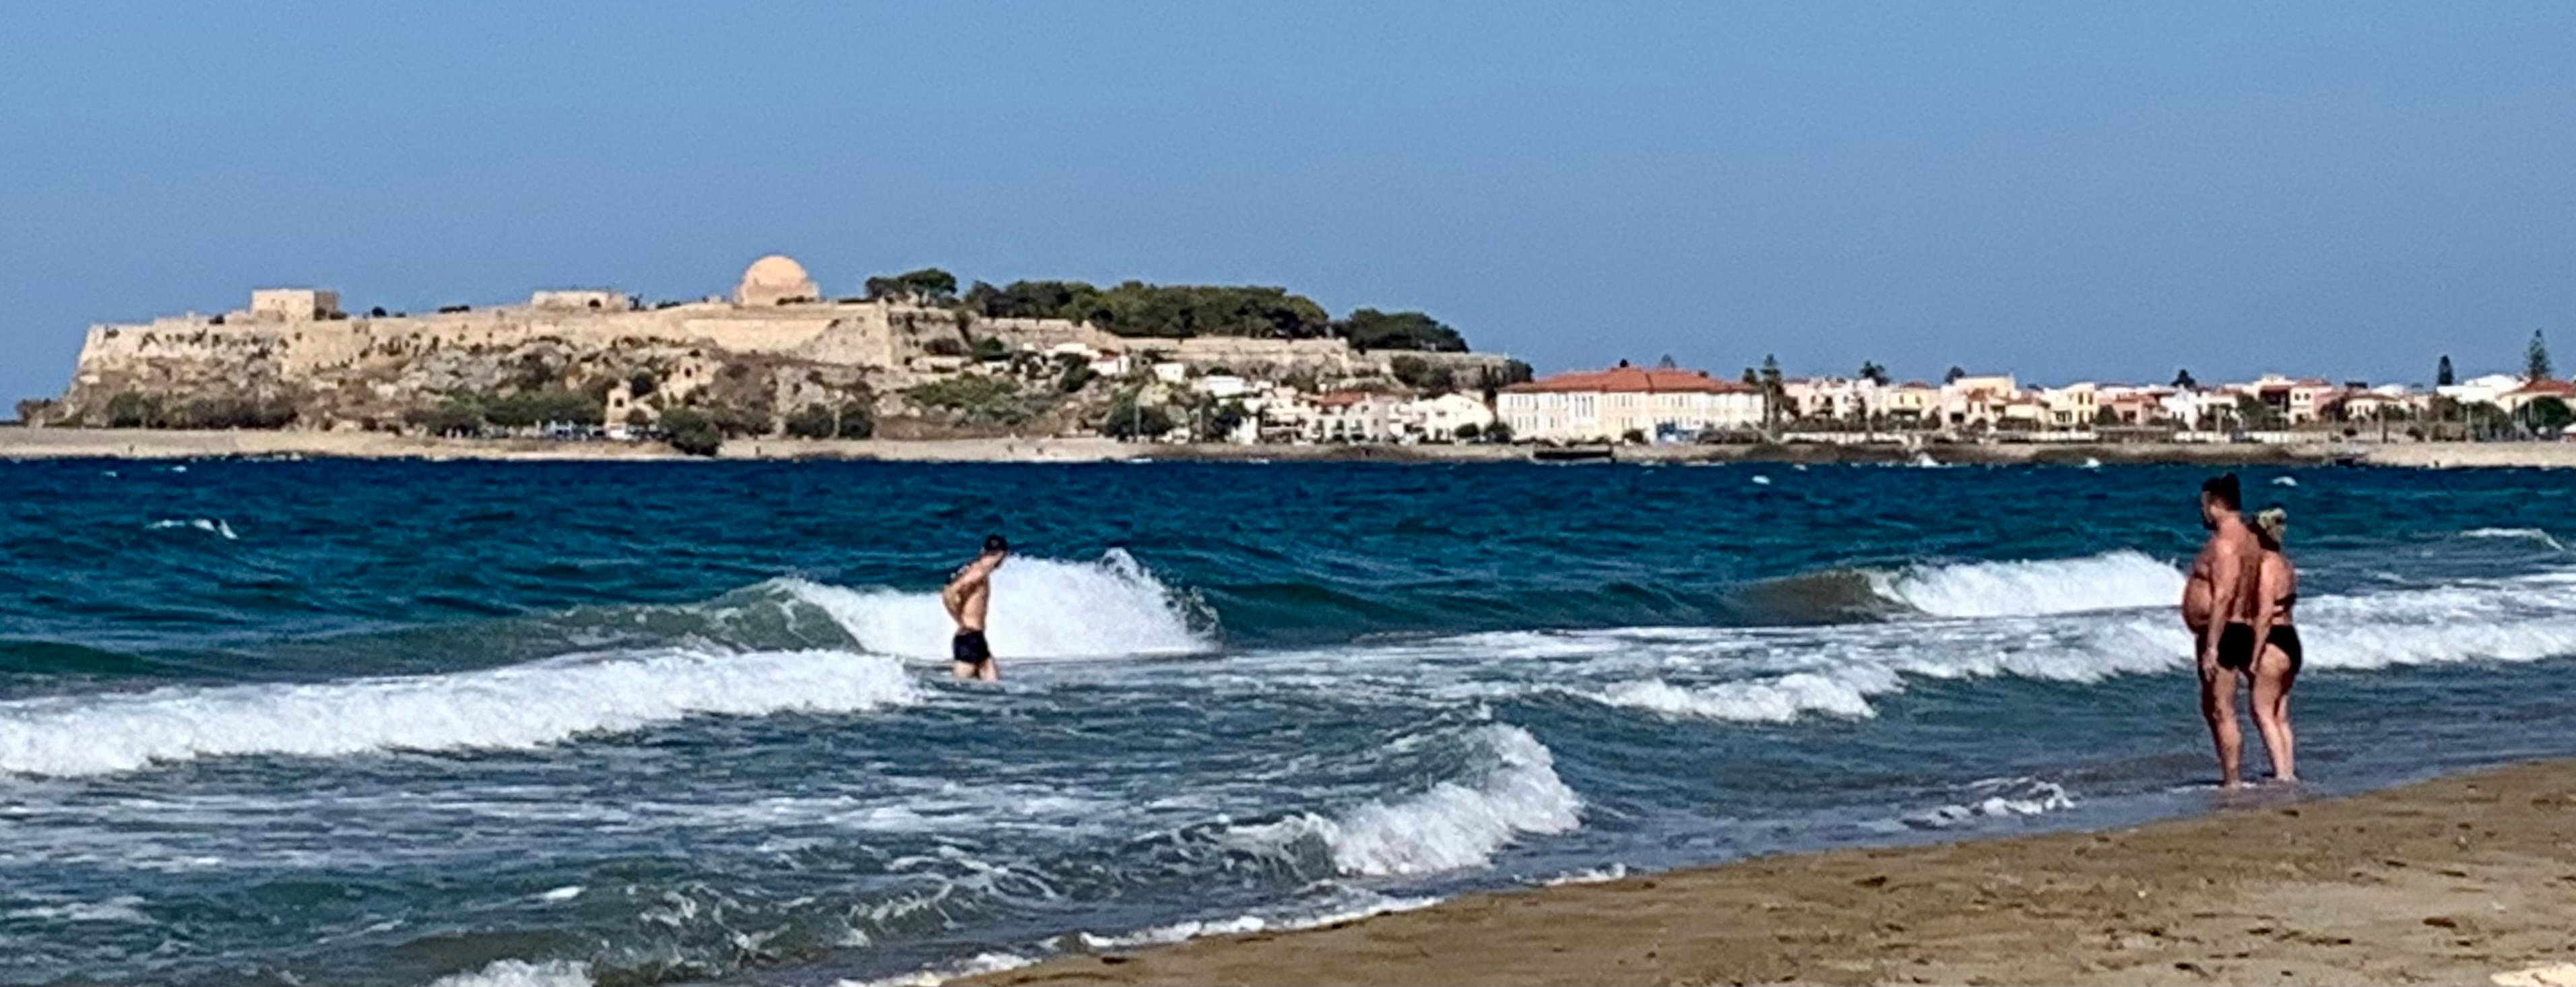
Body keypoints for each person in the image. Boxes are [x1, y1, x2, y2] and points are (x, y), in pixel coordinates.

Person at [2181, 474, 2261, 788]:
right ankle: (2233, 774)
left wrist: (2212, 644)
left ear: (2215, 505)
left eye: (2204, 505)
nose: (2202, 512)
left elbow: (2224, 594)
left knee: (2222, 708)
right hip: (2239, 626)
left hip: (2224, 631)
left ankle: (2232, 779)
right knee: (2216, 707)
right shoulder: (2250, 540)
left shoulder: (2226, 544)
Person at [2246, 507, 2301, 783]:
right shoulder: (2286, 564)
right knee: (2280, 714)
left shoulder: (2267, 565)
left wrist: (2255, 655)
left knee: (2262, 711)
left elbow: (2265, 612)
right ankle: (2287, 769)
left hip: (2274, 641)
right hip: (2292, 639)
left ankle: (2281, 774)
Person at [942, 534, 1008, 681]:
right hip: (969, 638)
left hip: (976, 638)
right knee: (959, 688)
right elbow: (950, 592)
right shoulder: (978, 572)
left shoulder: (979, 571)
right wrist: (959, 620)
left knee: (995, 685)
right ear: (1002, 554)